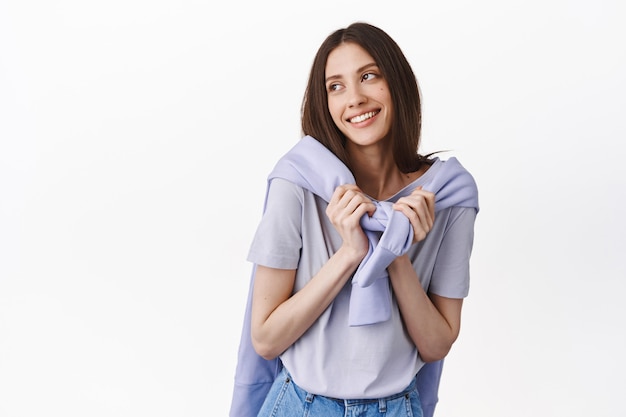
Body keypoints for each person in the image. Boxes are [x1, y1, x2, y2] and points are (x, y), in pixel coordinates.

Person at [230, 22, 479, 417]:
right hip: (301, 405)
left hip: (397, 407)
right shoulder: (298, 180)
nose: (356, 98)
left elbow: (436, 345)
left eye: (368, 76)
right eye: (336, 86)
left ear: (396, 83)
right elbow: (265, 338)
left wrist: (395, 254)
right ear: (324, 103)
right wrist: (350, 253)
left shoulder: (449, 193)